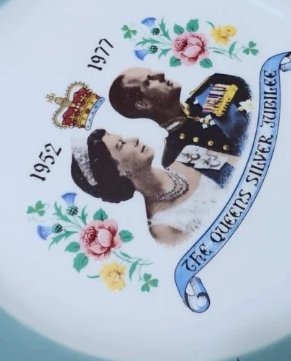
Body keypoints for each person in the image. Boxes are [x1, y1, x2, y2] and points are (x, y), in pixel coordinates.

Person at [71, 128, 237, 247]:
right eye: (121, 144)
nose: (134, 139)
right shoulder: (163, 227)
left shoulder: (190, 155)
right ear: (119, 172)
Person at [107, 67, 251, 186]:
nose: (160, 73)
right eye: (149, 80)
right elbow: (236, 180)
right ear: (143, 104)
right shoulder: (174, 158)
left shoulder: (216, 85)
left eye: (152, 73)